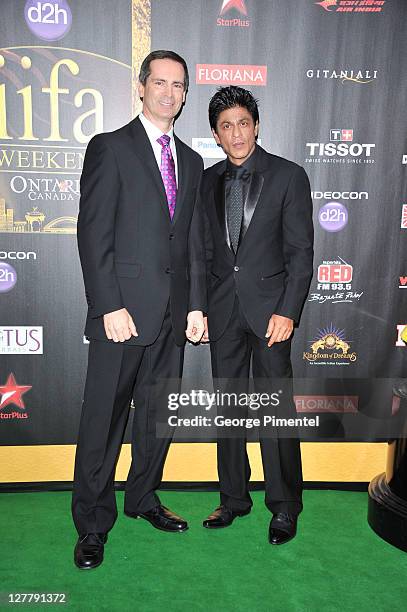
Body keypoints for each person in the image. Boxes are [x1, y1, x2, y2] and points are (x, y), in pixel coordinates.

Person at [72, 50, 206, 569]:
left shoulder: (191, 162)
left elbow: (192, 240)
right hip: (121, 316)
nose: (169, 92)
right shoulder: (110, 147)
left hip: (173, 318)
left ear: (185, 93)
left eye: (178, 85)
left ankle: (143, 497)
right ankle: (91, 522)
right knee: (103, 421)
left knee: (157, 419)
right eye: (160, 82)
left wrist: (195, 306)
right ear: (141, 86)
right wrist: (108, 305)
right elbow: (93, 233)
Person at [201, 86, 314, 544]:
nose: (237, 133)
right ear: (216, 134)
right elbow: (203, 251)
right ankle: (233, 499)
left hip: (271, 316)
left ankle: (284, 505)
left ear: (256, 125)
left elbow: (301, 253)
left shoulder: (288, 176)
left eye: (243, 123)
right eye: (226, 126)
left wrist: (288, 311)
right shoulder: (207, 181)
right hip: (223, 312)